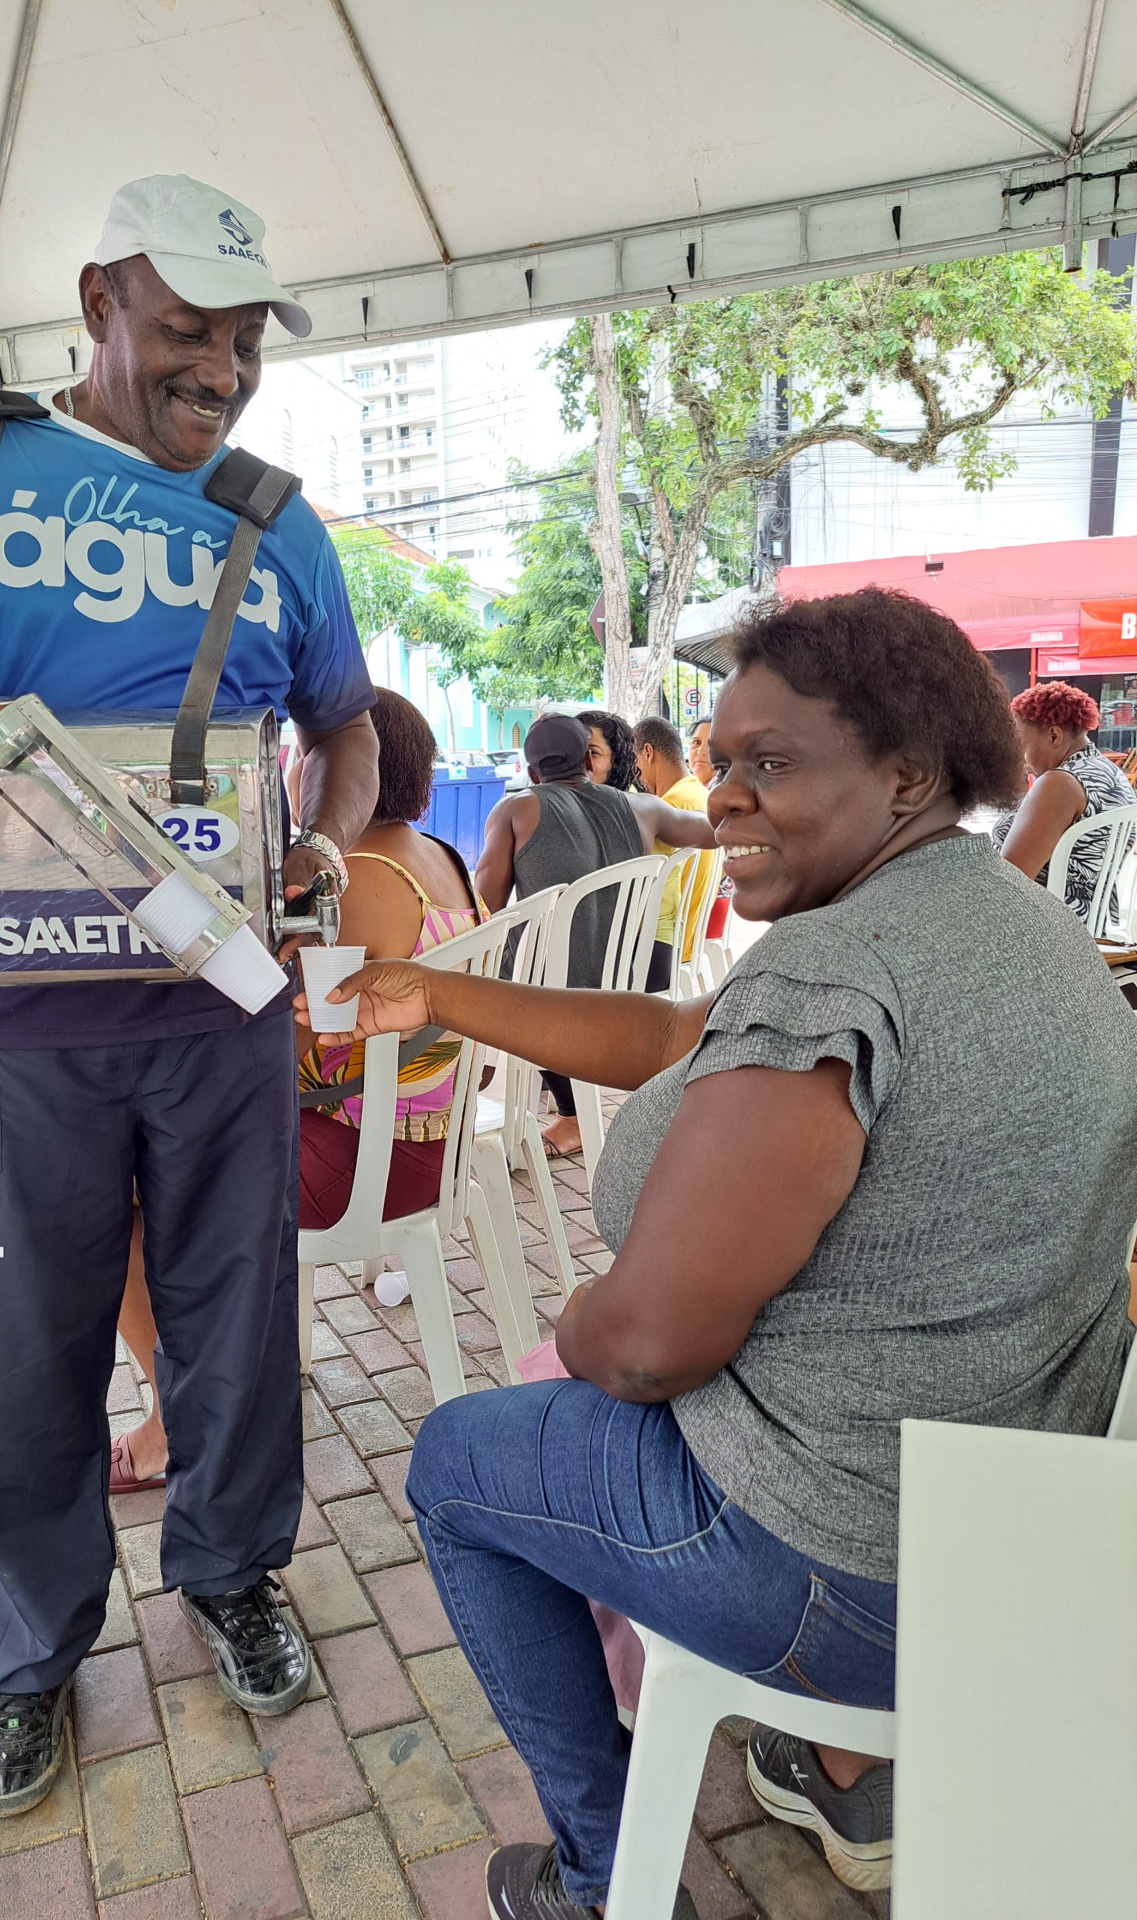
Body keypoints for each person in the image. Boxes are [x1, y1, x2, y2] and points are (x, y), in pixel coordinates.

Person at [307, 588, 1137, 1916]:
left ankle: (601, 1879)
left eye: (773, 763)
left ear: (907, 774)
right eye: (720, 758)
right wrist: (433, 993)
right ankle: (832, 1766)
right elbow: (668, 1037)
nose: (726, 796)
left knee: (459, 1461)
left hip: (851, 1571)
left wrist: (578, 1323)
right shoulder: (1006, 918)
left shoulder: (836, 976)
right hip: (1006, 1527)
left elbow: (646, 1350)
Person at [0, 174, 380, 1817]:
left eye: (246, 342)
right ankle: (25, 1659)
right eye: (189, 330)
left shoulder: (278, 521)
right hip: (17, 1011)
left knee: (234, 1321)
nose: (224, 371)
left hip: (224, 1007)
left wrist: (325, 846)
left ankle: (234, 1574)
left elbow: (349, 723)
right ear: (102, 300)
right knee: (19, 1348)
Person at [112, 688, 483, 1491]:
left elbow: (293, 1048)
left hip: (362, 1163)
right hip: (432, 1145)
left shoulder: (359, 883)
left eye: (300, 761)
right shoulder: (442, 859)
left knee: (119, 1197)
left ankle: (174, 1417)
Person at [476, 714, 712, 1159]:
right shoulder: (644, 808)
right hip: (627, 975)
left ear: (532, 773)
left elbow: (483, 907)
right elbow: (710, 831)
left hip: (549, 992)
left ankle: (566, 1114)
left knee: (495, 965)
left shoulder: (515, 810)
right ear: (588, 759)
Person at [993, 680, 1137, 929]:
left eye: (1019, 741)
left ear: (1054, 735)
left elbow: (1009, 881)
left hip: (1049, 926)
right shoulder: (1111, 773)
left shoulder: (1060, 783)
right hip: (1094, 922)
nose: (1015, 753)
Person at [632, 714, 717, 993]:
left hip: (667, 947)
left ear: (648, 753)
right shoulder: (699, 793)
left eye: (635, 761)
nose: (635, 772)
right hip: (691, 940)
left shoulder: (669, 807)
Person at [577, 709, 639, 791]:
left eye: (592, 752)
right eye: (572, 749)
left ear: (618, 762)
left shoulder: (631, 799)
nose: (577, 760)